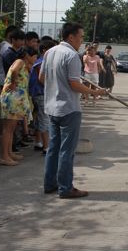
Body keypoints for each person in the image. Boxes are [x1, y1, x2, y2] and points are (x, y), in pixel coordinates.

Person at [41, 22, 107, 198]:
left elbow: (42, 77)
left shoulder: (49, 53)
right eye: (81, 36)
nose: (82, 40)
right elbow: (75, 84)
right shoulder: (71, 55)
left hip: (51, 107)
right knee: (66, 151)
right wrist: (96, 92)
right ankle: (65, 188)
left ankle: (50, 184)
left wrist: (55, 87)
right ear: (71, 37)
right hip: (69, 109)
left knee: (53, 148)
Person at [0, 46, 38, 166]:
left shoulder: (25, 65)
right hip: (12, 100)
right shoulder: (19, 61)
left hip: (16, 101)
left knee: (11, 129)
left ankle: (9, 153)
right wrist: (13, 83)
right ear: (27, 55)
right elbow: (14, 70)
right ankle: (4, 156)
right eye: (34, 56)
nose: (35, 58)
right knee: (7, 130)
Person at [29, 40, 56, 155]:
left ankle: (38, 142)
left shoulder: (40, 61)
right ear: (45, 50)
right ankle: (46, 147)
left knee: (40, 118)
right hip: (41, 94)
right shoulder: (42, 62)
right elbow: (42, 79)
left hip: (38, 94)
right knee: (45, 119)